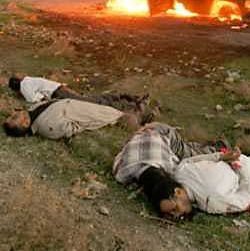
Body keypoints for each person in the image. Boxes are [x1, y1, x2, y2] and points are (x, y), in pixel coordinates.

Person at [113, 122, 229, 217]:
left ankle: (220, 146)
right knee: (186, 149)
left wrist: (220, 156)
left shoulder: (171, 167)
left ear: (178, 191)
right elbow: (120, 157)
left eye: (175, 209)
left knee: (190, 153)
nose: (176, 215)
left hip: (163, 132)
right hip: (143, 136)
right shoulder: (122, 174)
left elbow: (192, 161)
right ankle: (203, 144)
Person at [171, 144, 250, 216]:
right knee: (248, 162)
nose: (174, 215)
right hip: (233, 160)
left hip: (242, 172)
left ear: (177, 193)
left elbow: (245, 199)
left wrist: (243, 178)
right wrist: (223, 156)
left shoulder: (210, 201)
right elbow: (196, 159)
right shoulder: (179, 172)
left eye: (175, 209)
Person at [8, 75, 159, 123]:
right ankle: (123, 97)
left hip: (58, 95)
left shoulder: (24, 86)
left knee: (91, 103)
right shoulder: (28, 79)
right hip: (60, 89)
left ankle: (130, 105)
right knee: (90, 99)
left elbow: (34, 99)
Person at [3, 100, 137, 139]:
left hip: (82, 103)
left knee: (115, 101)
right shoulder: (46, 126)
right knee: (127, 116)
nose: (14, 112)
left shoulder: (32, 110)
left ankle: (136, 105)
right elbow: (72, 129)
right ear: (26, 123)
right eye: (15, 117)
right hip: (92, 113)